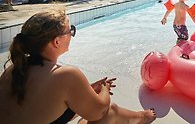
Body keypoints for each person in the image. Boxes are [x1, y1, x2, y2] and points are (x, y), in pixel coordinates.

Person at [0, 9, 156, 124]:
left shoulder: (13, 70)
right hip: (101, 109)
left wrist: (86, 89)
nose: (72, 35)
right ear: (56, 41)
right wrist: (104, 90)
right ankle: (142, 118)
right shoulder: (66, 75)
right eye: (70, 31)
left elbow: (47, 108)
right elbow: (99, 111)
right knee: (108, 112)